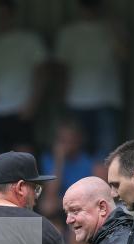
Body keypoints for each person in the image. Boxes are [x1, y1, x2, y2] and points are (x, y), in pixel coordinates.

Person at [54, 0, 126, 157]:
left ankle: (103, 183)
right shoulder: (69, 32)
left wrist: (112, 26)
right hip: (76, 99)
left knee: (107, 155)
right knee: (77, 154)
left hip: (106, 98)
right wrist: (62, 96)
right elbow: (61, 68)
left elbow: (124, 55)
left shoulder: (111, 28)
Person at [0, 0, 48, 155]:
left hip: (21, 108)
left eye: (4, 14)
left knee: (24, 157)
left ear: (13, 14)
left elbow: (42, 71)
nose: (1, 18)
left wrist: (33, 102)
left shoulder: (29, 40)